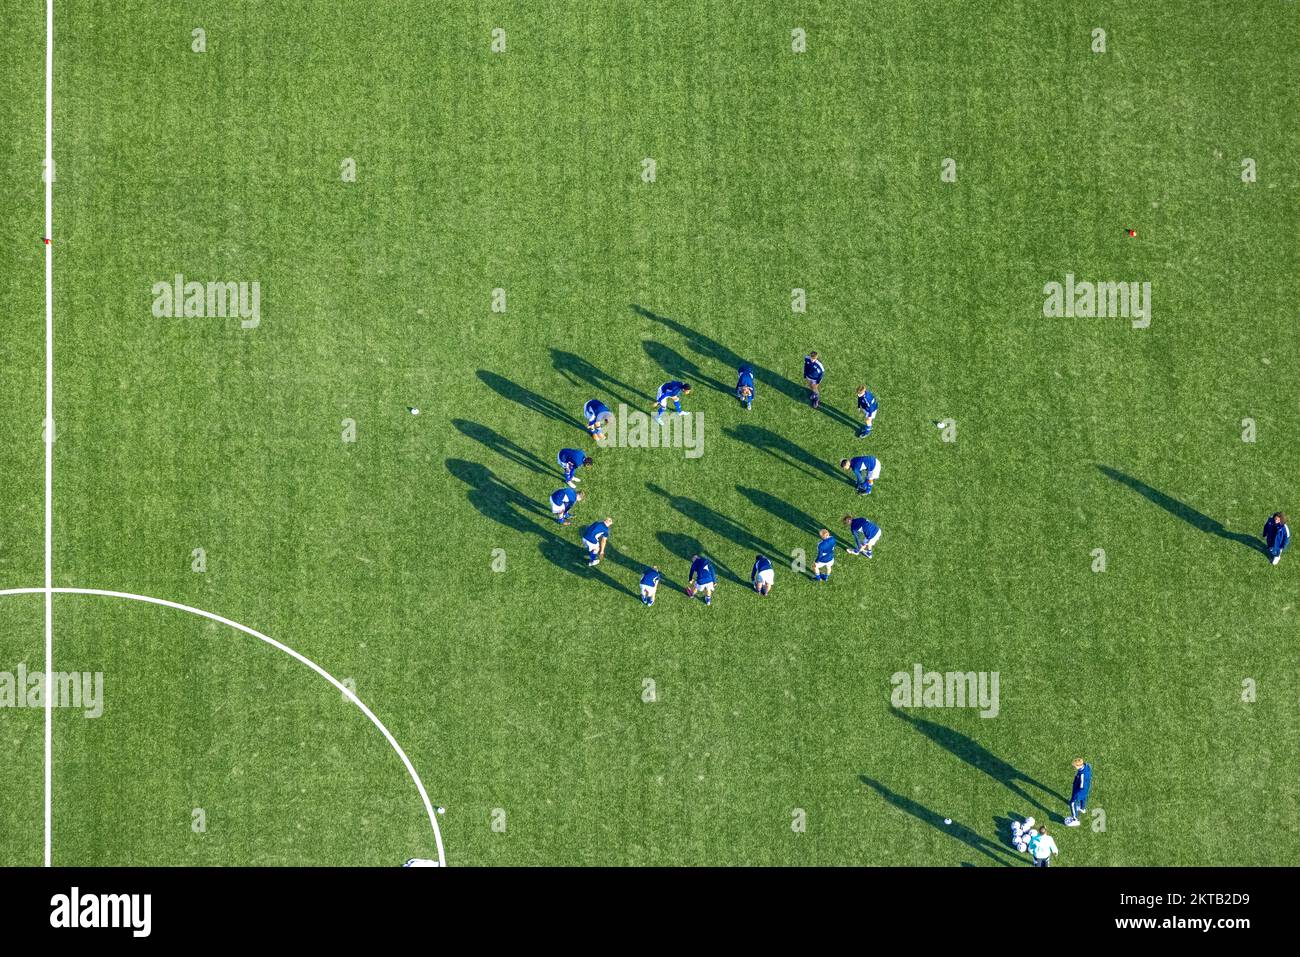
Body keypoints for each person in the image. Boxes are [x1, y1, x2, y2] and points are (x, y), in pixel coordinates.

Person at [1065, 758, 1091, 826]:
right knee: (1084, 798)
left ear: (1079, 766)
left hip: (1081, 790)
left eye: (1075, 766)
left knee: (1072, 803)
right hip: (1086, 787)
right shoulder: (1087, 766)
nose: (1074, 767)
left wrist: (1076, 794)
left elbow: (1082, 786)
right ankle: (1082, 808)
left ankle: (1075, 819)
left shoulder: (1082, 774)